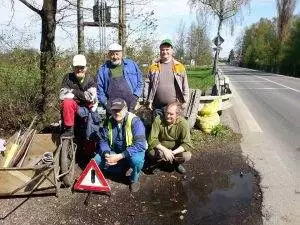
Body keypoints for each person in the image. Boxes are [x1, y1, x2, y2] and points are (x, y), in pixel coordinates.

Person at [94, 98, 147, 192]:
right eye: (114, 110)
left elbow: (140, 145)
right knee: (96, 160)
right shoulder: (108, 121)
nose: (117, 112)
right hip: (115, 150)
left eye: (119, 110)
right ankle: (122, 167)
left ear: (125, 109)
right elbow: (103, 140)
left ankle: (134, 179)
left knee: (137, 161)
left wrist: (121, 156)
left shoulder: (135, 121)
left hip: (131, 152)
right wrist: (106, 152)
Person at [144, 39, 189, 116]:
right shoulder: (153, 67)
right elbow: (147, 85)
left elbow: (185, 86)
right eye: (162, 50)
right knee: (157, 127)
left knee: (172, 128)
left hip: (174, 107)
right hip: (157, 107)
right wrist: (146, 101)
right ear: (160, 51)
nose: (165, 52)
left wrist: (185, 101)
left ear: (172, 50)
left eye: (167, 49)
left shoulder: (179, 67)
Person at [96, 43, 144, 113]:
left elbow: (140, 83)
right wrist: (106, 103)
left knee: (130, 123)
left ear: (121, 54)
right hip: (112, 107)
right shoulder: (103, 69)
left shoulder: (132, 64)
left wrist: (135, 97)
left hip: (130, 105)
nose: (115, 57)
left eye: (117, 54)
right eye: (112, 54)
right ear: (108, 55)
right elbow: (99, 90)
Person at [147, 101, 192, 174]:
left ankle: (176, 164)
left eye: (171, 114)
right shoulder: (158, 119)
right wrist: (165, 150)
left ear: (177, 115)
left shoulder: (183, 123)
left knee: (187, 155)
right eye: (167, 113)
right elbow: (152, 139)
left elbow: (186, 143)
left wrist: (172, 153)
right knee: (151, 152)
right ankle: (160, 163)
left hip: (175, 149)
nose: (168, 116)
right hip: (161, 147)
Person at [60, 54, 98, 138]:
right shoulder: (67, 78)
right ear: (73, 68)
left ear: (86, 68)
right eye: (77, 67)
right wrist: (82, 95)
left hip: (87, 109)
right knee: (67, 102)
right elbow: (62, 94)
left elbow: (90, 97)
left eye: (82, 67)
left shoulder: (91, 79)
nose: (79, 70)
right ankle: (69, 130)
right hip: (73, 107)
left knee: (93, 131)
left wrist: (72, 91)